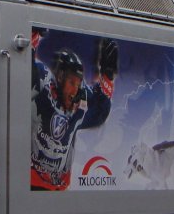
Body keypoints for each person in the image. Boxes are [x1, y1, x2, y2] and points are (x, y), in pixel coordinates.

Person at [30, 31, 118, 190]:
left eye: (78, 84)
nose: (74, 89)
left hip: (58, 189)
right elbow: (26, 72)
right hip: (31, 182)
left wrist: (107, 76)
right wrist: (33, 36)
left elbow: (99, 113)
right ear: (60, 76)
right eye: (71, 82)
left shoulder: (78, 105)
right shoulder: (43, 85)